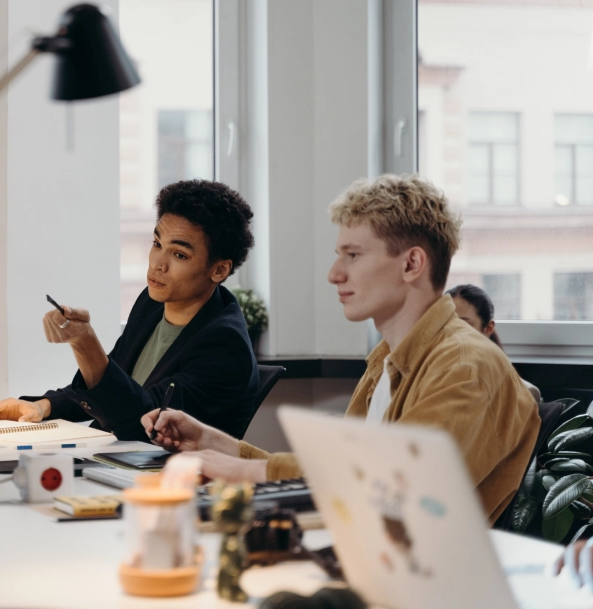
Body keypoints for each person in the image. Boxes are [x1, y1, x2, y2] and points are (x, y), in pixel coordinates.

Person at [143, 174, 541, 522]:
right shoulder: (386, 361)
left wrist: (241, 472)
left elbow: (395, 486)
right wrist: (215, 444)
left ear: (411, 264)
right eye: (339, 255)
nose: (335, 274)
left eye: (353, 255)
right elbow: (343, 470)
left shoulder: (465, 364)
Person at [0, 180, 260, 443]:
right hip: (115, 463)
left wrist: (85, 342)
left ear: (220, 269)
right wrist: (42, 406)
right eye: (157, 244)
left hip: (169, 481)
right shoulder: (152, 304)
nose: (157, 264)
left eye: (179, 255)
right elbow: (116, 385)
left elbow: (145, 421)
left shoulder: (225, 345)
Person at [447, 283, 542, 403]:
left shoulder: (520, 393)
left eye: (462, 325)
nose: (451, 332)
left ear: (488, 329)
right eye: (445, 323)